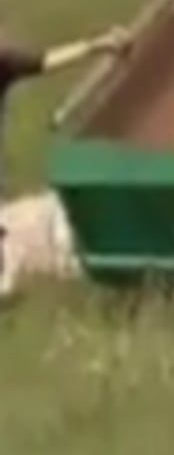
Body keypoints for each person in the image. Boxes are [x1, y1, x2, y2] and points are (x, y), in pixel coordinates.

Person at [0, 27, 126, 296]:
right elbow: (46, 61)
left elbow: (46, 60)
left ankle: (4, 283)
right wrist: (95, 46)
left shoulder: (5, 61)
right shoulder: (5, 60)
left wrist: (94, 46)